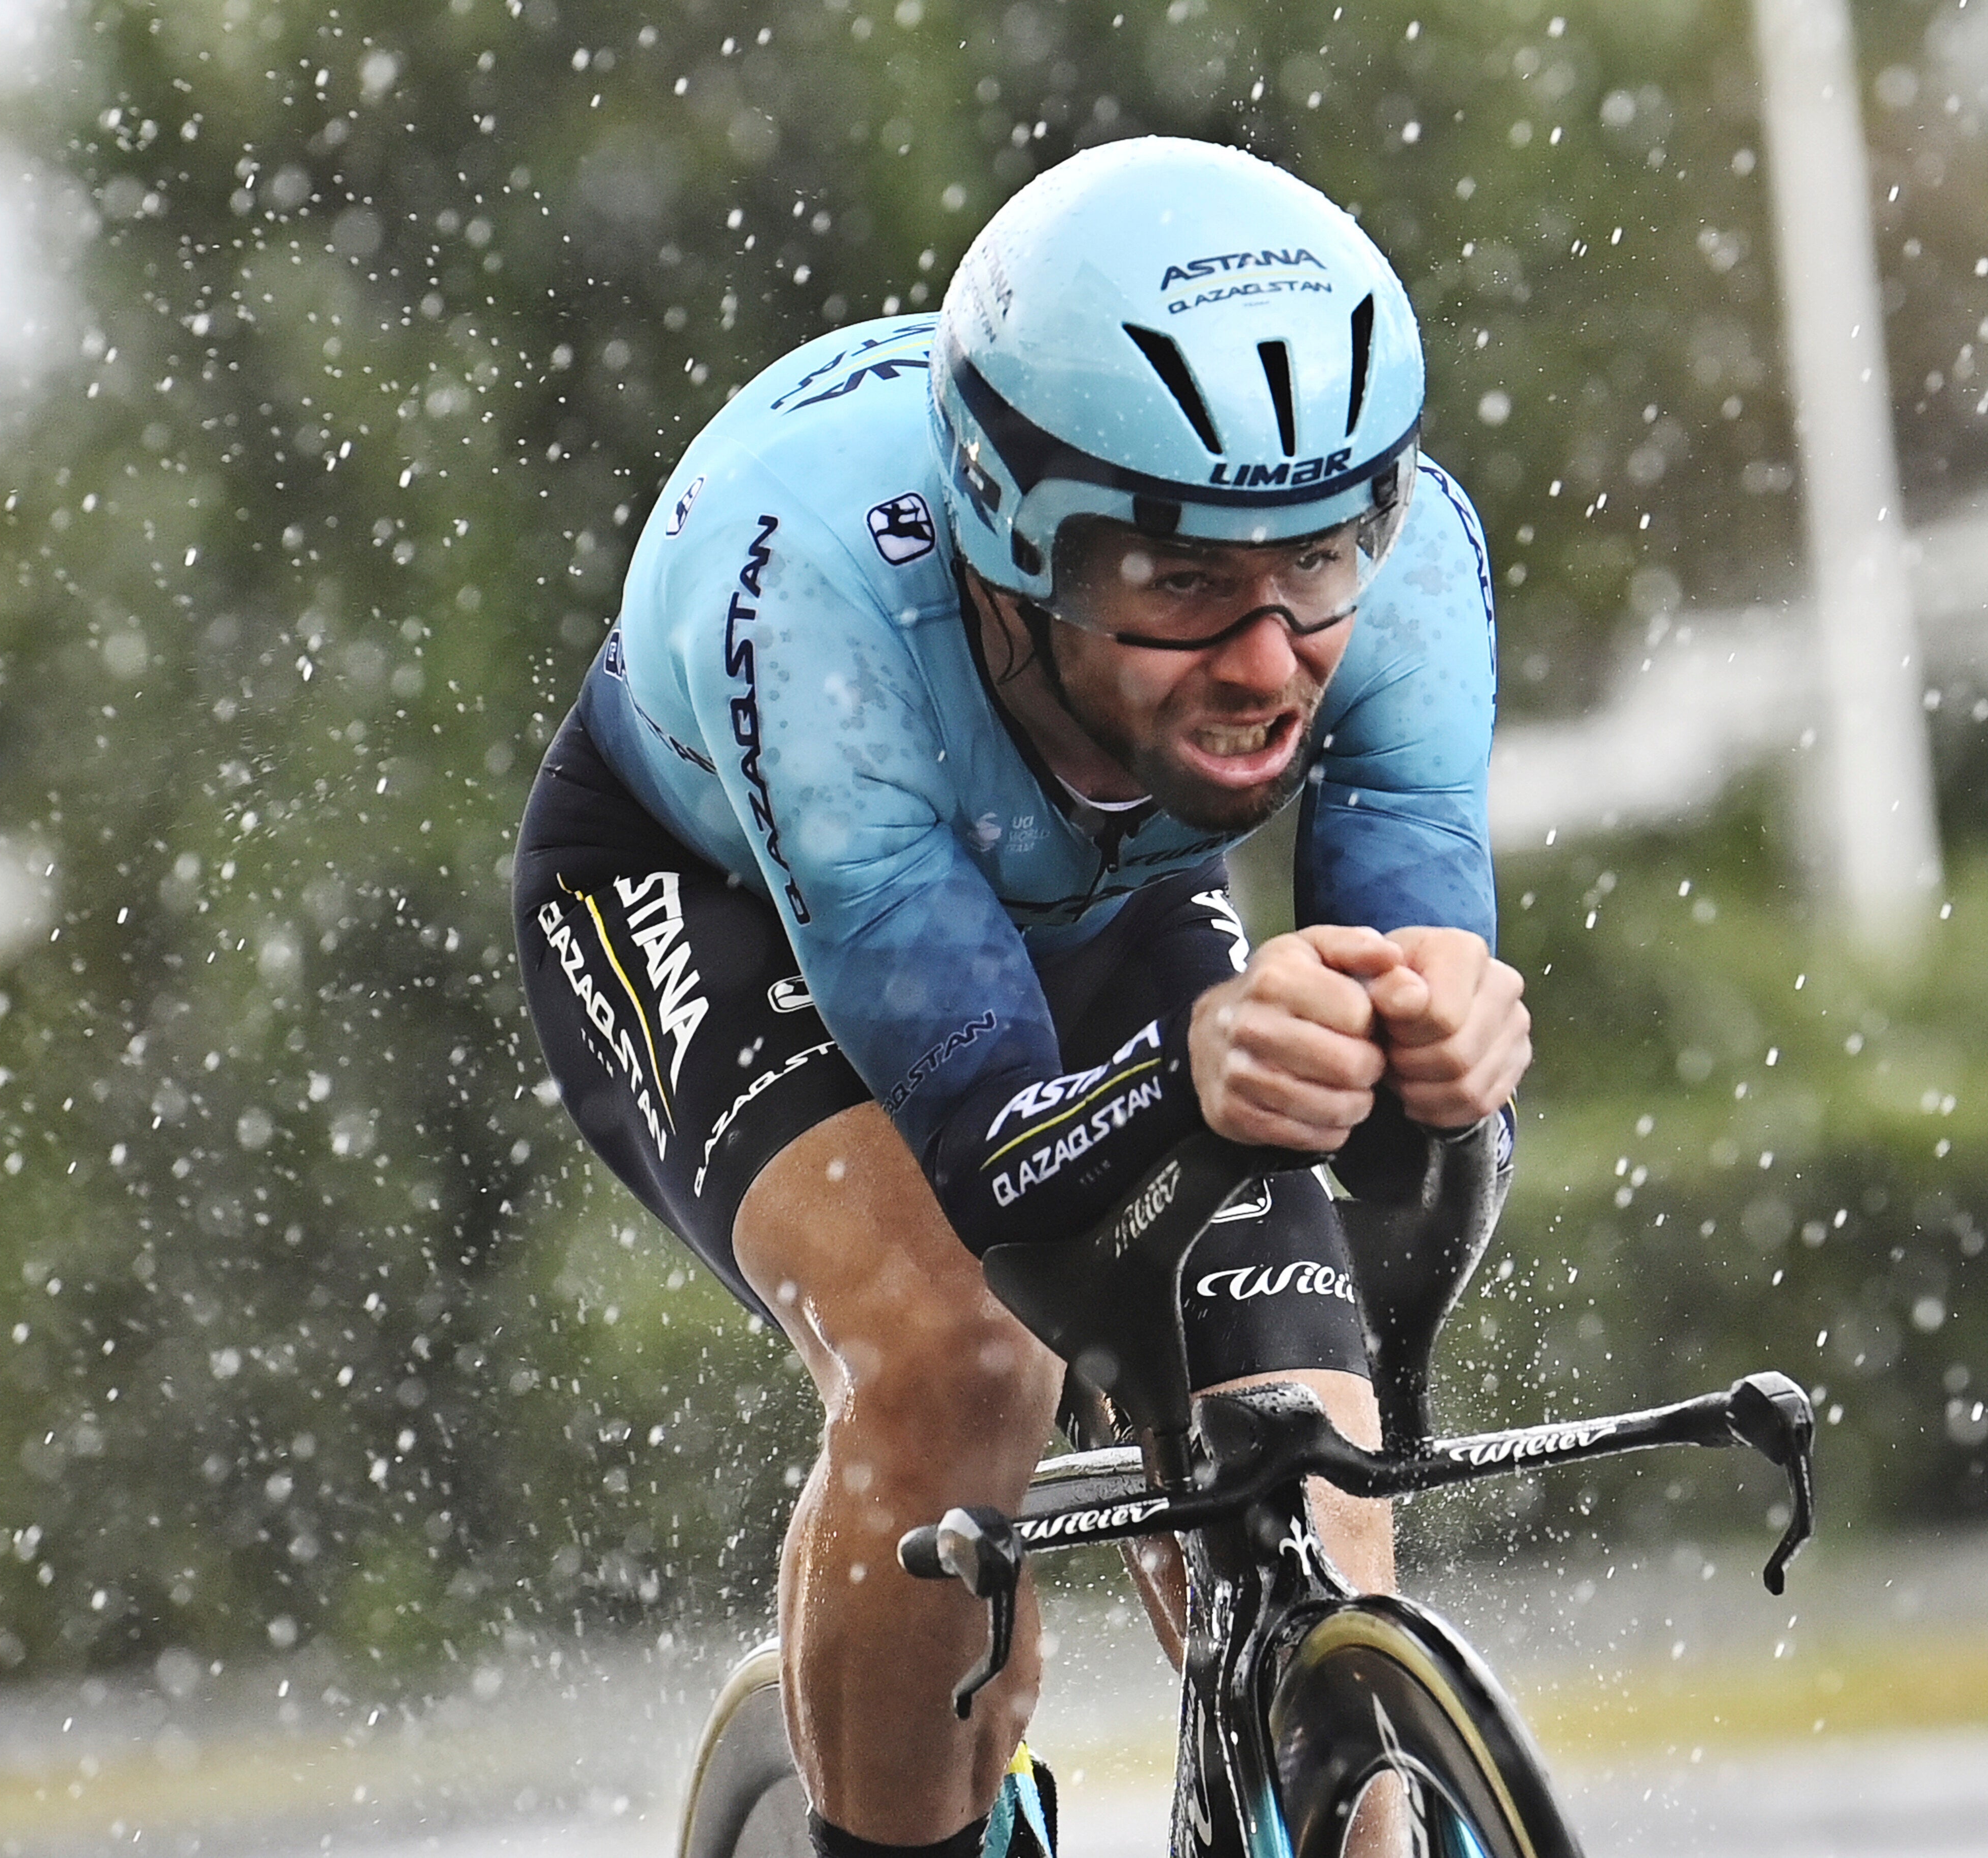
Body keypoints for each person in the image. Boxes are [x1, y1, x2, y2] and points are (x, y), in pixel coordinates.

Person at [514, 137, 1528, 1858]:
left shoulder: (1407, 552)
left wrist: (1442, 1049)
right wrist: (1192, 1082)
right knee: (962, 1360)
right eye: (1185, 582)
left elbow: (1396, 1051)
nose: (1270, 656)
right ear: (1015, 542)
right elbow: (1004, 1169)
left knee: (1287, 1389)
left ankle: (1338, 1799)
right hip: (722, 894)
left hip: (1093, 891)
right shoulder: (820, 596)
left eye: (1310, 565)